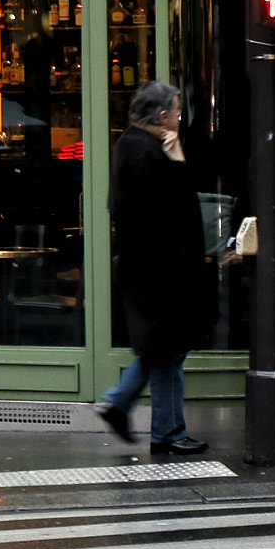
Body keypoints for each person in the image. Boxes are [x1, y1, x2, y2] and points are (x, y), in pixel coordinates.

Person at [95, 81, 218, 456]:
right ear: (162, 115)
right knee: (166, 348)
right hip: (160, 270)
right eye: (177, 111)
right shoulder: (146, 151)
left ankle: (162, 428)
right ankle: (133, 410)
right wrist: (178, 161)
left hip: (151, 267)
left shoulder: (134, 145)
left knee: (166, 349)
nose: (180, 117)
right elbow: (173, 208)